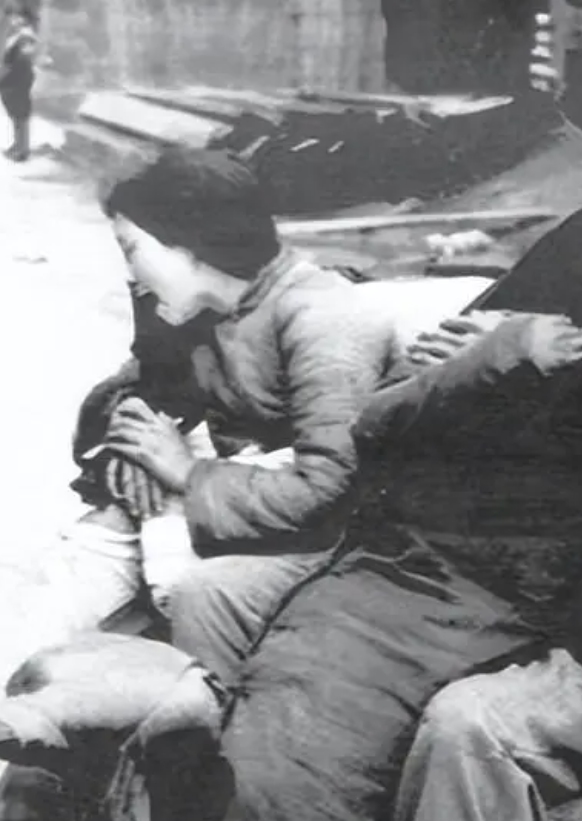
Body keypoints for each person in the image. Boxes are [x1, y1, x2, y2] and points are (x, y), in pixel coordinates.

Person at [217, 32, 582, 821]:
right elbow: (420, 388)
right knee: (227, 611)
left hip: (558, 594)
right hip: (438, 543)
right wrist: (495, 358)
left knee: (409, 716)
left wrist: (509, 362)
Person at [36, 146, 408, 686]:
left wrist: (186, 472)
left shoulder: (323, 317)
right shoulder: (201, 307)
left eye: (132, 250)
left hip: (338, 541)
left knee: (184, 588)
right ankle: (42, 703)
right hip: (248, 504)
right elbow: (132, 388)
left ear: (189, 246)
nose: (131, 274)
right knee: (86, 556)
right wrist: (135, 436)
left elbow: (331, 488)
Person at [0, 4, 37, 162]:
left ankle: (22, 149)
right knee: (16, 115)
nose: (13, 20)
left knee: (21, 115)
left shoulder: (26, 36)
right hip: (14, 79)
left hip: (19, 79)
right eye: (11, 17)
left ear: (24, 19)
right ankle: (18, 145)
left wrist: (6, 76)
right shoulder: (17, 34)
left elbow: (22, 60)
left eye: (16, 17)